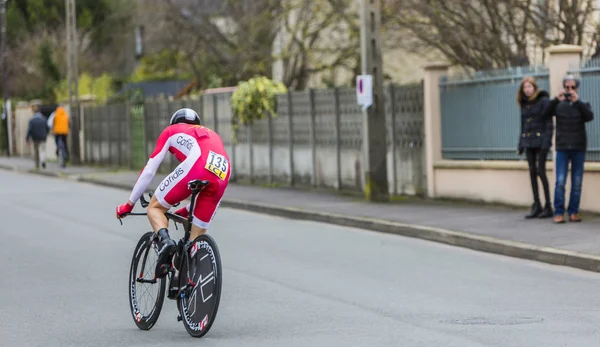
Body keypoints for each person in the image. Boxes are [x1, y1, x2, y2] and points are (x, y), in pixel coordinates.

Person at [115, 108, 231, 278]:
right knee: (194, 239)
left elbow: (149, 170)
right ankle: (188, 282)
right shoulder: (211, 134)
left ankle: (166, 243)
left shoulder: (171, 131)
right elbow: (211, 179)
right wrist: (189, 208)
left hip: (197, 165)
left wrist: (129, 204)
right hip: (224, 173)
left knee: (155, 208)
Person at [539, 75, 594, 223]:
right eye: (567, 87)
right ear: (563, 88)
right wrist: (556, 99)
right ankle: (558, 212)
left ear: (577, 88)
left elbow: (589, 117)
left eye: (572, 88)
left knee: (576, 182)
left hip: (578, 148)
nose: (569, 91)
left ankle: (573, 212)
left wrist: (578, 102)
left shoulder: (583, 104)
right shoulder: (558, 105)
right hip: (562, 148)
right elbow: (544, 115)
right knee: (560, 181)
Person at [517, 76, 553, 219]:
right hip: (528, 142)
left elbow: (549, 124)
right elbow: (523, 125)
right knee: (532, 172)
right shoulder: (524, 104)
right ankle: (536, 205)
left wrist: (546, 142)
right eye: (525, 87)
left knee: (541, 172)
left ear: (535, 87)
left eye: (529, 87)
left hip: (541, 141)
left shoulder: (543, 101)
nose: (527, 90)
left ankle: (548, 206)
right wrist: (520, 144)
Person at [26, 105, 49, 169]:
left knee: (36, 151)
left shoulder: (32, 120)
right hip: (43, 137)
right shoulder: (44, 119)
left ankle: (37, 164)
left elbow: (29, 130)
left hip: (35, 138)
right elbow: (47, 128)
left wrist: (27, 138)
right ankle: (43, 160)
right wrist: (46, 134)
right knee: (43, 150)